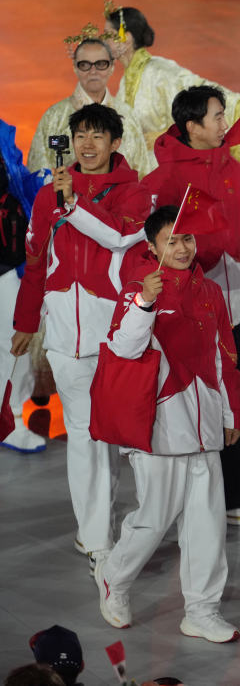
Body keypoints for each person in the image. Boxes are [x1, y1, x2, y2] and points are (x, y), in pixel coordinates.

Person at [95, 205, 240, 643]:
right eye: (171, 241)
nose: (182, 248)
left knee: (207, 524)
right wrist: (145, 301)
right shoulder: (137, 287)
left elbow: (225, 356)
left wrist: (233, 411)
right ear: (151, 246)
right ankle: (115, 579)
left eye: (187, 239)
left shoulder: (211, 291)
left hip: (204, 422)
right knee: (153, 519)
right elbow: (123, 347)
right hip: (158, 421)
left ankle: (202, 611)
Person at [143, 85, 240, 528]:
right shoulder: (167, 178)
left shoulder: (230, 165)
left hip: (231, 304)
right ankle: (185, 502)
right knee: (192, 398)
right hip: (190, 307)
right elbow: (154, 240)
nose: (226, 123)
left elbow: (236, 227)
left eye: (225, 115)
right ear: (193, 127)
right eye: (217, 116)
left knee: (235, 391)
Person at [11, 104, 151, 569]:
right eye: (80, 136)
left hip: (115, 338)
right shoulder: (48, 195)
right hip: (64, 339)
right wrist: (26, 322)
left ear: (115, 143)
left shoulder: (134, 194)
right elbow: (35, 261)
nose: (87, 145)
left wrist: (73, 204)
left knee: (109, 437)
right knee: (83, 434)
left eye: (97, 136)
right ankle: (95, 539)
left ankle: (107, 525)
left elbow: (120, 237)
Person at [103, 5, 240, 182]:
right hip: (147, 170)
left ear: (126, 37)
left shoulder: (159, 71)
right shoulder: (126, 80)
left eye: (108, 34)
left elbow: (202, 90)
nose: (103, 41)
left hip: (171, 170)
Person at [28, 35, 153, 177]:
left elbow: (143, 172)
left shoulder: (128, 115)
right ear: (75, 67)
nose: (93, 71)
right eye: (84, 65)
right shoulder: (55, 116)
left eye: (101, 64)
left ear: (112, 67)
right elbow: (37, 174)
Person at [0, 120, 46, 454]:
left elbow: (17, 181)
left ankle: (12, 419)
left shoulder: (2, 134)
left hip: (8, 264)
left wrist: (41, 182)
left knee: (13, 342)